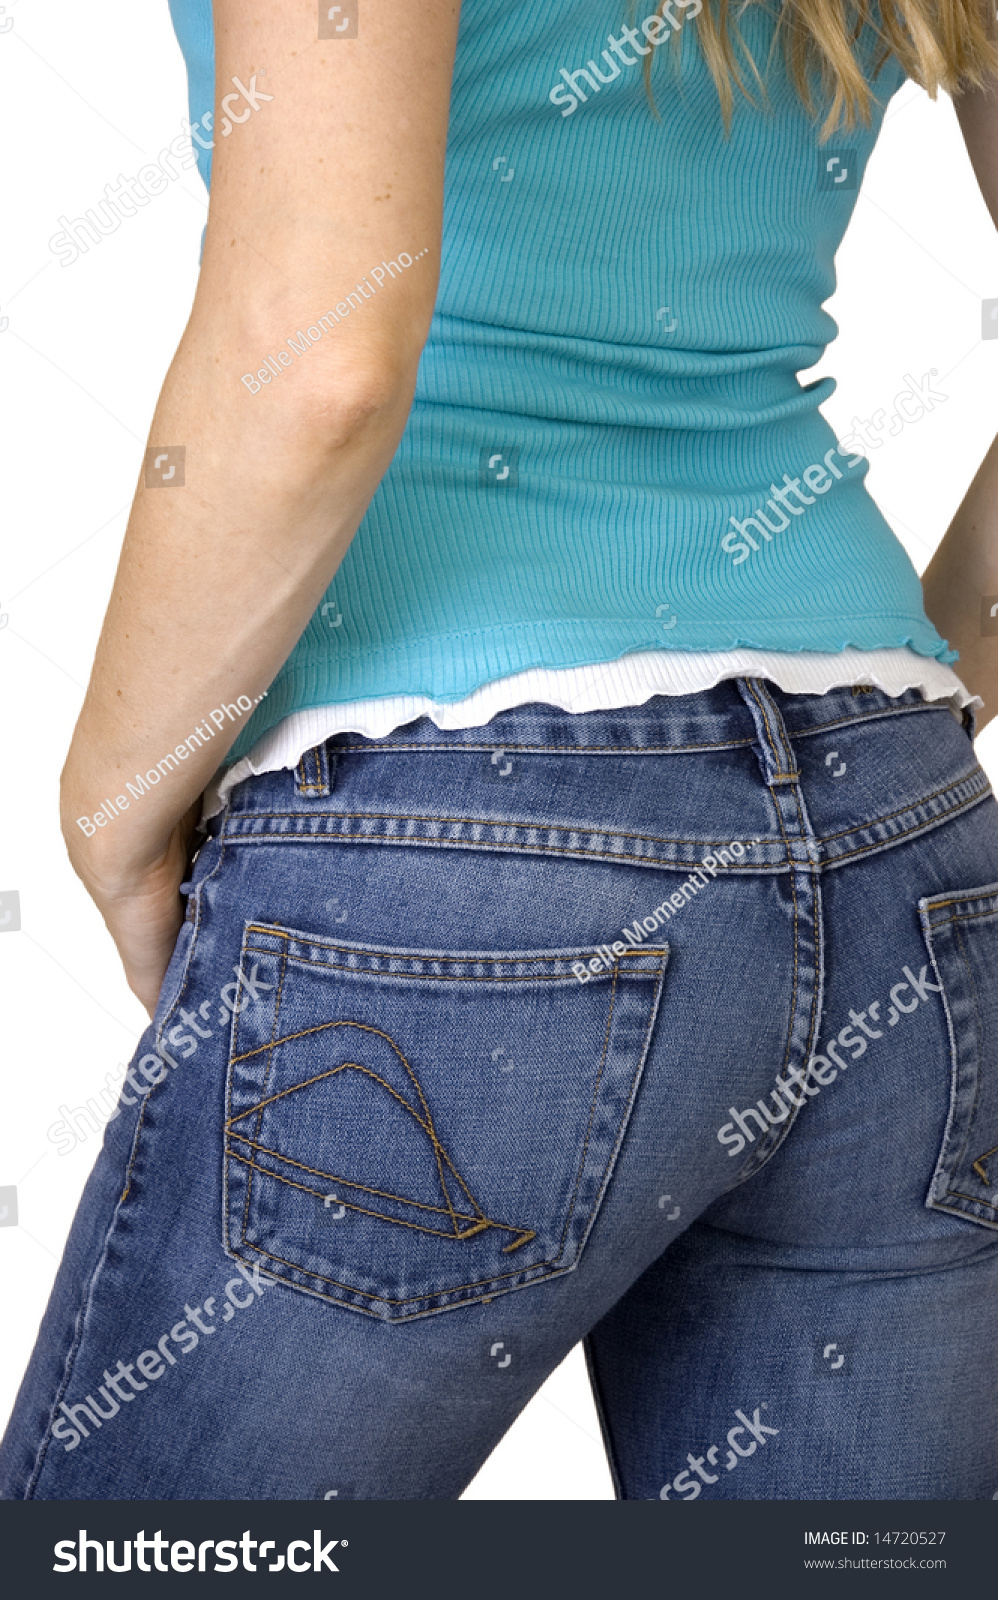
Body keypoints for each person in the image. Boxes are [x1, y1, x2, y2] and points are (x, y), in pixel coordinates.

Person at [3, 0, 998, 1501]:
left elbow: (323, 353)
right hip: (904, 850)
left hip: (458, 848)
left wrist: (114, 803)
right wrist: (927, 667)